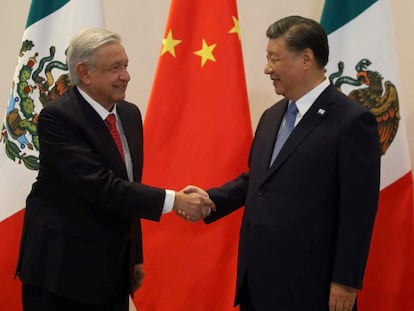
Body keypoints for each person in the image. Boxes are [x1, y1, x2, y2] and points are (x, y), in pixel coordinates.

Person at [183, 16, 380, 311]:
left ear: (305, 58)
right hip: (258, 279)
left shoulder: (351, 120)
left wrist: (346, 281)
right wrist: (211, 200)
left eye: (274, 59)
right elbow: (258, 180)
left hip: (312, 284)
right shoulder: (272, 115)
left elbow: (359, 209)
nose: (267, 69)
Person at [15, 27, 214, 311]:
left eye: (126, 65)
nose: (126, 76)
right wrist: (175, 201)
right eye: (115, 68)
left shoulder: (129, 115)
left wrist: (135, 257)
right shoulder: (58, 118)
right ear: (84, 73)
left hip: (111, 272)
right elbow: (102, 187)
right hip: (61, 274)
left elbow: (128, 189)